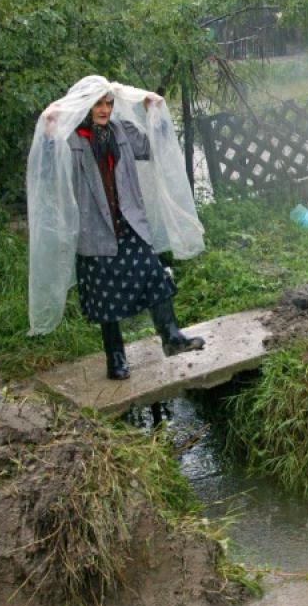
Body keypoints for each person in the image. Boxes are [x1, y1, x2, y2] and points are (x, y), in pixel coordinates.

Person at [26, 76, 207, 379]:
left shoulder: (121, 131)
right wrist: (47, 131)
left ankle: (173, 338)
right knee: (104, 298)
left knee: (154, 276)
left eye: (109, 103)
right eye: (98, 103)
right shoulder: (71, 140)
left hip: (128, 223)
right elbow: (47, 170)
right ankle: (116, 360)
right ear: (86, 106)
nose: (105, 109)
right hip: (94, 230)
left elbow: (152, 148)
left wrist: (157, 115)